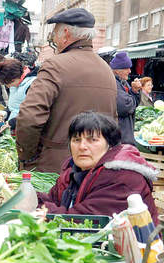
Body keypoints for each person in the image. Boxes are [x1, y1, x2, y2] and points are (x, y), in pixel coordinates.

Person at [16, 8, 117, 173]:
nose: (54, 39)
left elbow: (30, 117)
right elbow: (113, 122)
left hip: (56, 168)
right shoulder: (106, 70)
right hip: (97, 166)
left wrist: (26, 157)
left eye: (54, 33)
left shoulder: (55, 65)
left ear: (66, 33)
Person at [38, 112, 158, 224]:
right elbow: (51, 200)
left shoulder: (123, 178)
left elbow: (82, 221)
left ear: (110, 145)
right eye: (76, 140)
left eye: (92, 140)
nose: (82, 146)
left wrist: (40, 210)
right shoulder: (72, 172)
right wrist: (31, 197)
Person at [0, 58, 37, 131]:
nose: (8, 86)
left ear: (14, 77)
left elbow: (32, 113)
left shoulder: (33, 85)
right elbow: (15, 105)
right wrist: (6, 112)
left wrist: (12, 123)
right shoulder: (15, 85)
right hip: (16, 128)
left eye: (8, 83)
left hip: (27, 129)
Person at [110, 51, 141, 146]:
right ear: (117, 70)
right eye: (127, 68)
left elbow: (133, 104)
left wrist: (135, 91)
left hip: (124, 136)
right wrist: (133, 92)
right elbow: (125, 106)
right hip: (120, 138)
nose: (130, 71)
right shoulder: (113, 83)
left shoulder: (122, 82)